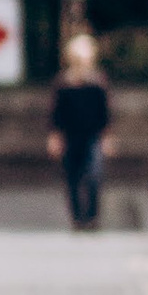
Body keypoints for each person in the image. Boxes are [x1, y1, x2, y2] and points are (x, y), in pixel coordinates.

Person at [50, 33, 111, 229]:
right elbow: (57, 113)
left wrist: (107, 137)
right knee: (72, 178)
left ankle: (92, 215)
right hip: (71, 136)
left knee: (94, 175)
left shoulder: (97, 83)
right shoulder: (63, 83)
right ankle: (78, 217)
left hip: (92, 136)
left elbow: (105, 112)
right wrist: (55, 137)